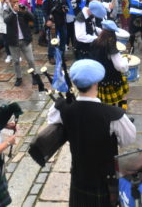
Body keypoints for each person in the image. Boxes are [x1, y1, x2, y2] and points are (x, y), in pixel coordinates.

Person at [46, 59, 136, 206]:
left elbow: (52, 121)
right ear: (96, 83)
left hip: (79, 175)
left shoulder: (62, 109)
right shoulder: (114, 115)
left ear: (75, 84)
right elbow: (128, 140)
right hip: (104, 179)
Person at [3, 0, 41, 87]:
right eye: (14, 2)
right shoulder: (6, 10)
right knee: (16, 61)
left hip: (25, 39)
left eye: (17, 1)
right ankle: (18, 77)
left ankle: (34, 76)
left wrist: (25, 11)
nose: (16, 3)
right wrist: (14, 12)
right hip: (13, 40)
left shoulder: (23, 8)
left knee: (31, 60)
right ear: (10, 3)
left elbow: (32, 18)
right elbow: (6, 20)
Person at [91, 20, 130, 108]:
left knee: (107, 103)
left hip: (101, 78)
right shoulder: (110, 45)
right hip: (112, 79)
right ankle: (122, 116)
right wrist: (125, 60)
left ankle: (109, 119)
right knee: (123, 97)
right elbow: (120, 66)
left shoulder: (95, 41)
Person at [43, 0, 68, 64]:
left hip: (62, 20)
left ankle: (61, 54)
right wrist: (47, 20)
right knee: (52, 39)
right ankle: (51, 56)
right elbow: (45, 10)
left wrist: (65, 9)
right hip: (52, 21)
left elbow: (67, 6)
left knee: (63, 38)